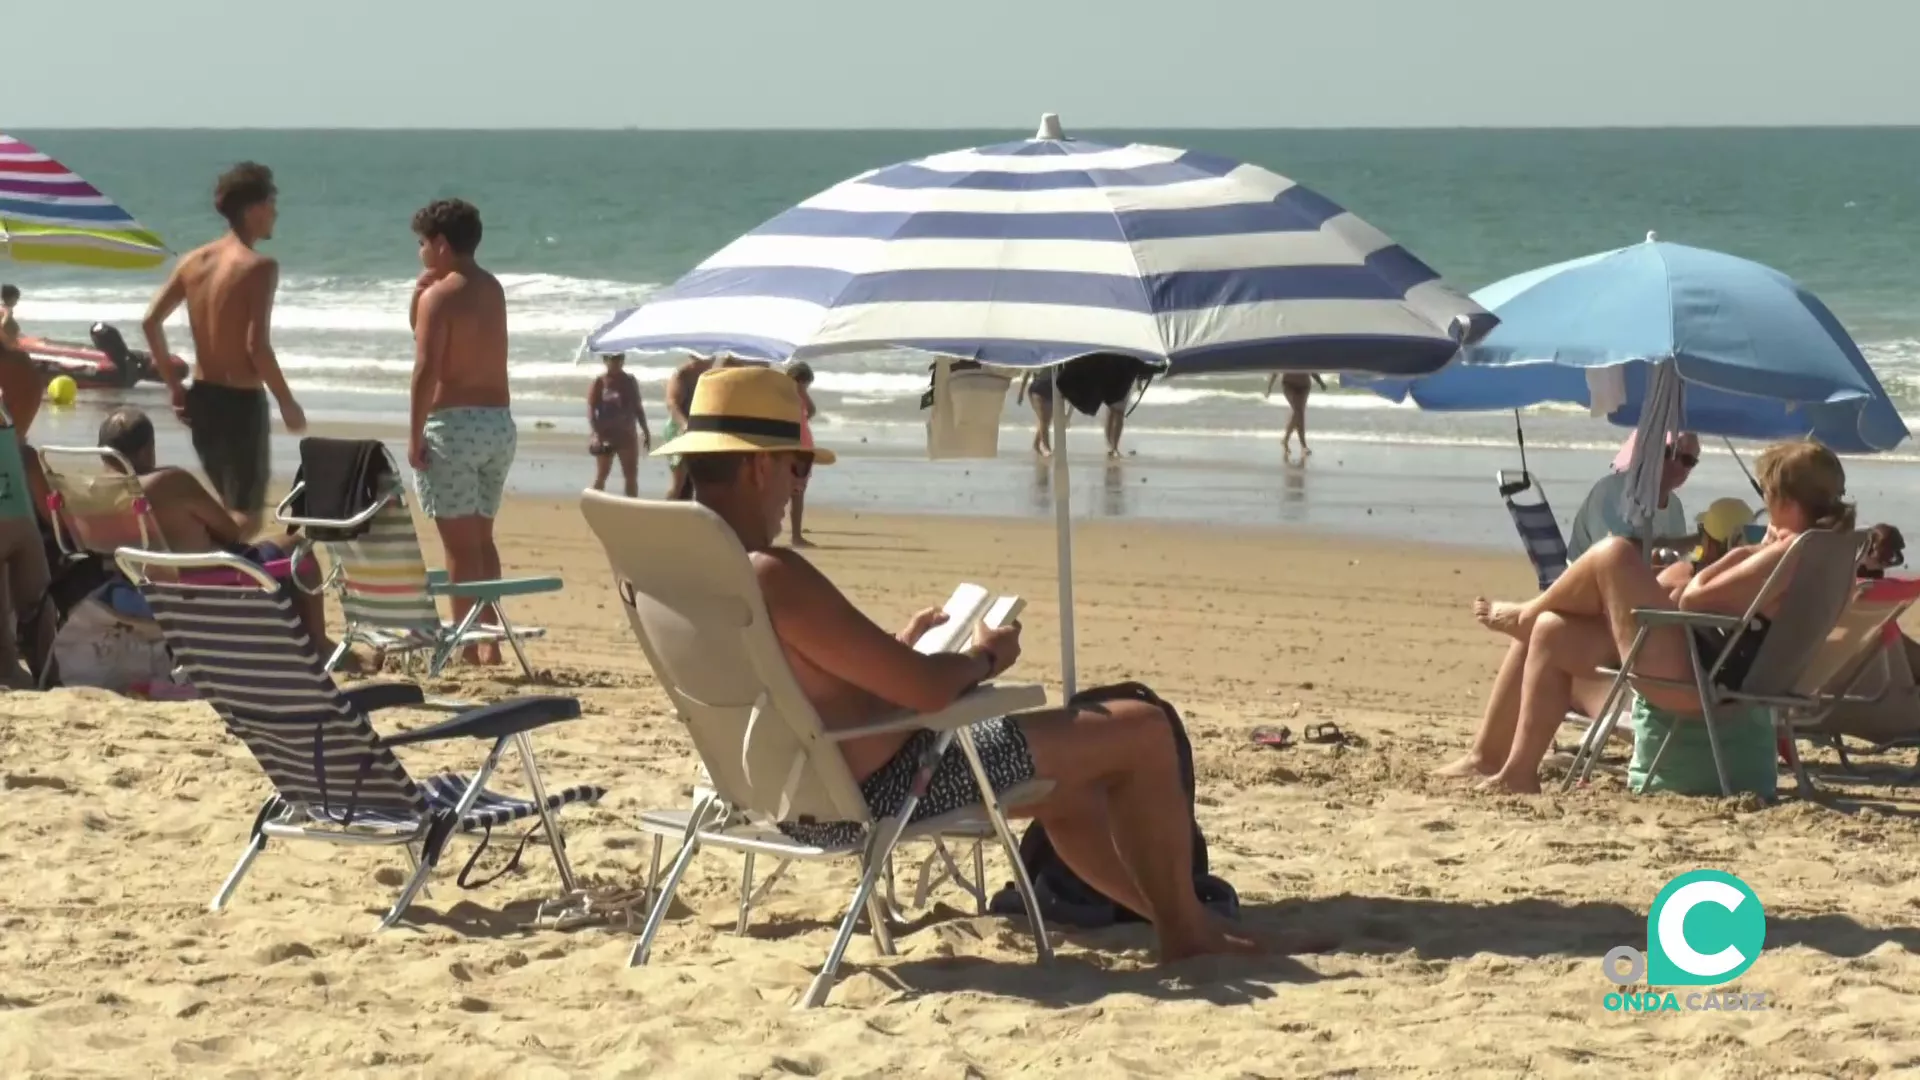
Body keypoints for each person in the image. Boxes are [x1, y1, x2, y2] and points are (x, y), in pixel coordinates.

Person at [656, 366, 1269, 961]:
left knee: (1069, 792)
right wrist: (985, 657)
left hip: (779, 793)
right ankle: (1189, 932)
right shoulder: (770, 573)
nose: (797, 485)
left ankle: (1180, 918)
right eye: (796, 466)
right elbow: (926, 691)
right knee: (1142, 729)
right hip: (880, 790)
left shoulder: (684, 572)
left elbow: (790, 681)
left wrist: (895, 645)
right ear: (760, 464)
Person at [1437, 440, 1854, 794]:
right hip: (1708, 665)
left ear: (1782, 498)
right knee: (1549, 629)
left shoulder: (1786, 553)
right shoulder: (1823, 550)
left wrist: (1747, 552)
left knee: (1615, 553)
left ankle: (1528, 610)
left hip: (1698, 680)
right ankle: (1506, 767)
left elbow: (1695, 599)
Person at [141, 162, 306, 537]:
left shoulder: (192, 261)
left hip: (202, 399)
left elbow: (150, 322)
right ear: (252, 210)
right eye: (271, 203)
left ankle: (206, 561)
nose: (275, 212)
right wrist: (286, 401)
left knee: (230, 507)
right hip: (241, 404)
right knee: (245, 518)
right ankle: (217, 573)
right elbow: (257, 347)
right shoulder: (259, 266)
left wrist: (174, 387)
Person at [95, 407, 338, 659]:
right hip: (199, 586)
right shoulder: (169, 481)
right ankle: (320, 644)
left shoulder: (91, 492)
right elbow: (231, 533)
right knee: (298, 547)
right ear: (148, 449)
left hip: (129, 590)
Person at [408, 198, 514, 667]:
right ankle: (489, 640)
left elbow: (427, 366)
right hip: (497, 424)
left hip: (454, 425)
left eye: (423, 243)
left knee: (457, 547)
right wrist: (419, 294)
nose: (420, 251)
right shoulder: (491, 288)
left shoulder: (440, 296)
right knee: (482, 540)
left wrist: (414, 434)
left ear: (443, 245)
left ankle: (467, 647)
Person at [1564, 431, 1701, 561]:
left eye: (1687, 460)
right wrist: (1692, 541)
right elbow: (1619, 556)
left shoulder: (1675, 507)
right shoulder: (1612, 491)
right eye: (1668, 453)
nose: (1676, 464)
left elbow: (1674, 561)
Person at [588, 351, 649, 497]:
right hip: (606, 435)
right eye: (612, 359)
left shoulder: (630, 381)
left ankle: (631, 509)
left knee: (631, 476)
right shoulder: (600, 382)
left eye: (620, 358)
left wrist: (645, 429)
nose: (616, 362)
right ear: (605, 360)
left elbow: (638, 407)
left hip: (627, 435)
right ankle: (594, 504)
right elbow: (591, 409)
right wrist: (596, 434)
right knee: (602, 474)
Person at [662, 355, 717, 498]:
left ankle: (690, 515)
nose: (710, 361)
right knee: (679, 482)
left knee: (698, 481)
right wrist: (684, 425)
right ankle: (664, 515)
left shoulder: (711, 376)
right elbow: (671, 404)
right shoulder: (682, 375)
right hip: (677, 428)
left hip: (700, 429)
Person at [785, 361, 818, 546]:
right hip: (790, 448)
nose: (804, 388)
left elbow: (811, 411)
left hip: (804, 449)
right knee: (786, 493)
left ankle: (796, 535)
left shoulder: (800, 398)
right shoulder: (784, 398)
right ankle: (795, 535)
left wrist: (803, 393)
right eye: (803, 383)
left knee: (798, 493)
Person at [1265, 373, 1326, 457]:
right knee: (1298, 411)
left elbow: (1311, 368)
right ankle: (1303, 445)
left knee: (1299, 412)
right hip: (1289, 384)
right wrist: (1269, 388)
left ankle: (1286, 440)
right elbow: (1276, 370)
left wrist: (1320, 382)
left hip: (1304, 386)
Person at [1017, 368, 1056, 456]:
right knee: (1043, 419)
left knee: (1046, 420)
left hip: (1051, 388)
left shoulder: (1057, 355)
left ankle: (1036, 444)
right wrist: (1021, 393)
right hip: (1038, 388)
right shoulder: (1037, 355)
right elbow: (1027, 373)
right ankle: (1046, 447)